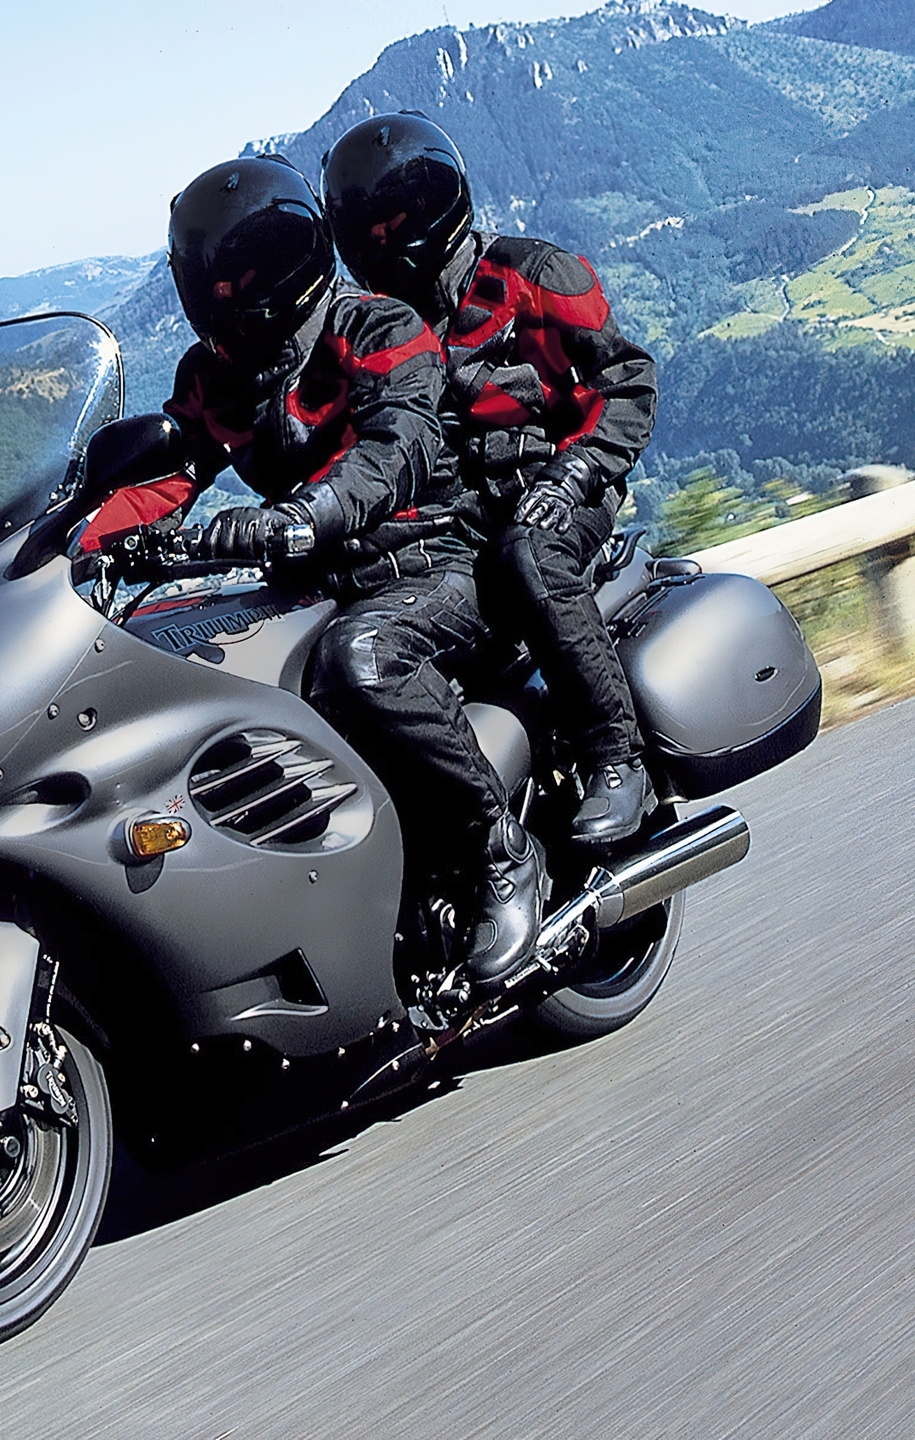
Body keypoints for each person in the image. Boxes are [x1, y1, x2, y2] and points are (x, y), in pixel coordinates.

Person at [140, 153, 544, 987]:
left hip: (435, 559)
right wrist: (63, 545)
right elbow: (161, 477)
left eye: (244, 275)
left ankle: (501, 851)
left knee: (361, 658)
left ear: (290, 263)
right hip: (316, 580)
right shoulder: (214, 375)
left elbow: (392, 452)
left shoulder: (377, 328)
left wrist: (301, 518)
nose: (228, 293)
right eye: (214, 280)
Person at [322, 112, 661, 847]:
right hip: (460, 519)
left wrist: (573, 474)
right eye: (366, 229)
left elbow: (628, 382)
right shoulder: (376, 326)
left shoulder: (533, 275)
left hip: (562, 491)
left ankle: (617, 756)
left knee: (528, 553)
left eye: (395, 222)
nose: (382, 239)